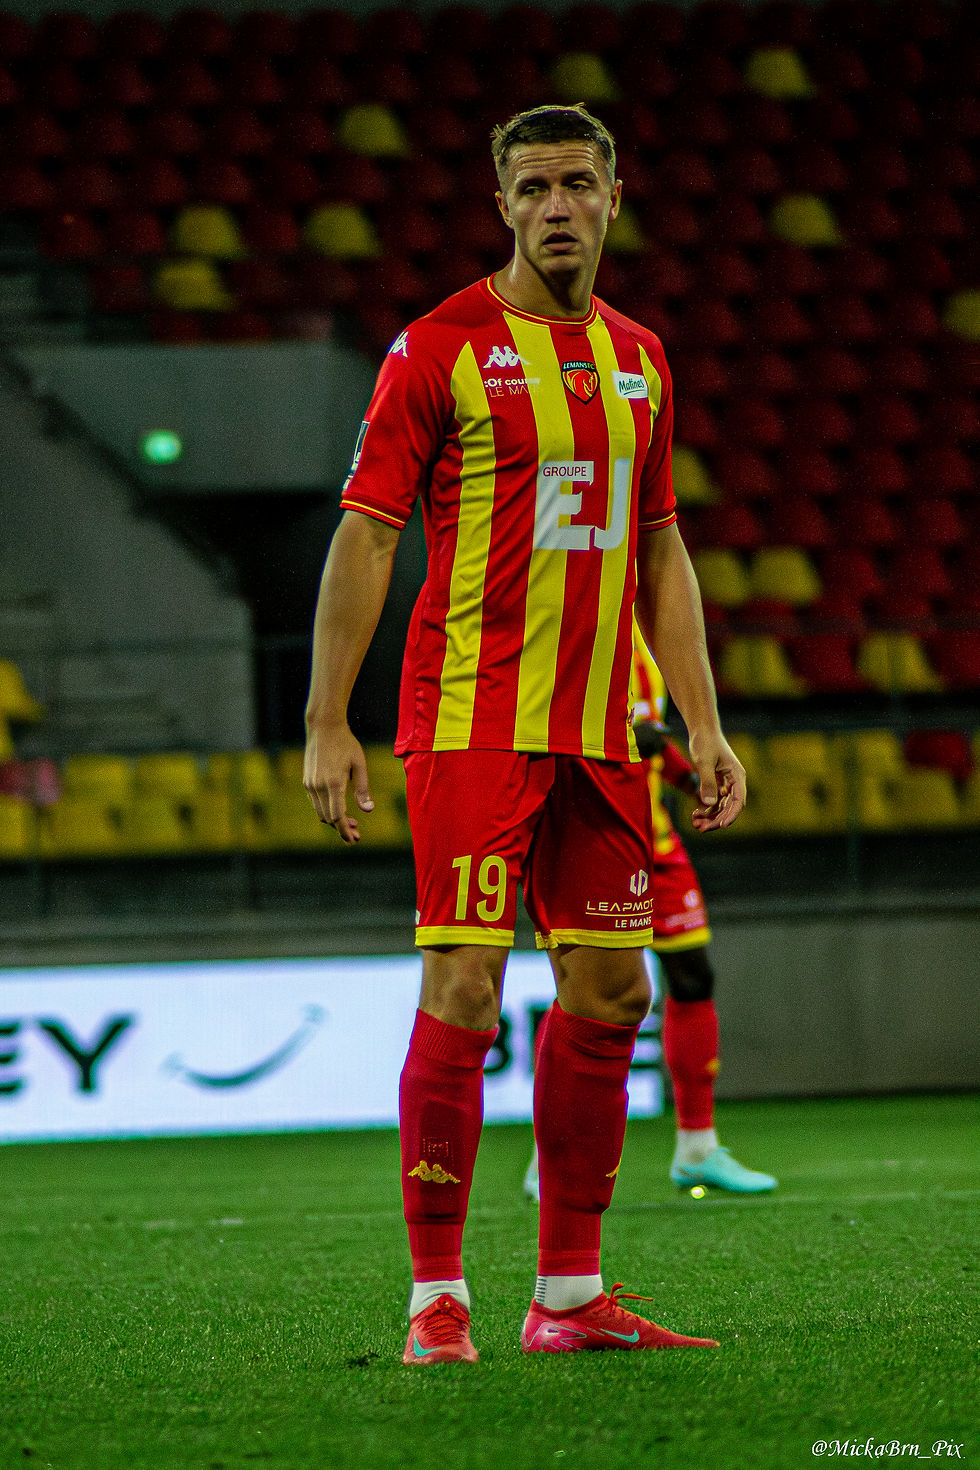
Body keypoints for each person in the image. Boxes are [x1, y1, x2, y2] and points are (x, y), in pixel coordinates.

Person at [303, 104, 746, 1364]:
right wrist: (328, 718)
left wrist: (701, 723)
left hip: (606, 732)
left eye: (577, 184)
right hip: (471, 719)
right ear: (500, 205)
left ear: (615, 194)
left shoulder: (642, 357)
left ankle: (565, 1296)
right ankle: (433, 1299)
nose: (557, 206)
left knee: (611, 990)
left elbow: (658, 544)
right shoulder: (438, 346)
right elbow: (367, 531)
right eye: (533, 187)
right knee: (465, 986)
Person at [524, 628, 776, 1203]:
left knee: (693, 975)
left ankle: (697, 1147)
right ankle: (549, 1156)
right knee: (581, 989)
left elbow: (650, 734)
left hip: (654, 837)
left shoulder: (646, 634)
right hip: (590, 833)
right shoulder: (570, 615)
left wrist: (690, 780)